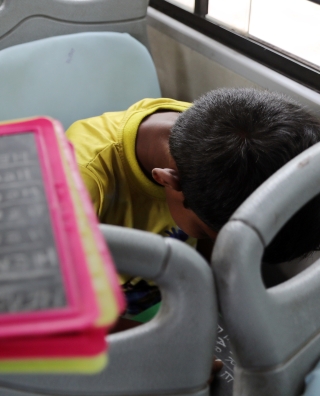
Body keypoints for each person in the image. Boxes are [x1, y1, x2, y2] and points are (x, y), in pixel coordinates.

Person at [66, 89, 320, 317]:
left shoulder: (214, 135)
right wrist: (172, 347)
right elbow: (51, 310)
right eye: (204, 231)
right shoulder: (73, 187)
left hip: (171, 288)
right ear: (167, 181)